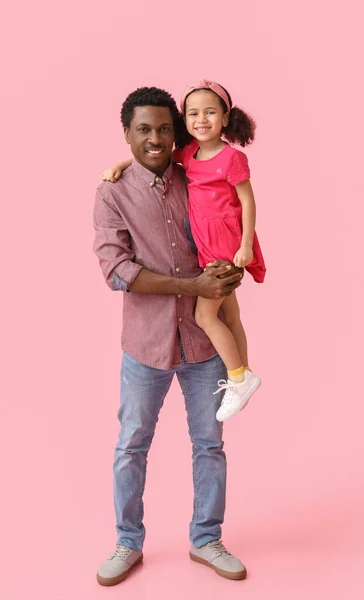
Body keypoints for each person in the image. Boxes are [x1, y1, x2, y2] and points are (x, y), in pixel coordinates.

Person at [93, 86, 249, 586]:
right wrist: (191, 285)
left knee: (210, 444)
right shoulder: (112, 191)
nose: (155, 138)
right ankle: (127, 542)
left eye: (164, 128)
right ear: (127, 134)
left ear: (176, 131)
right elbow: (117, 270)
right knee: (131, 445)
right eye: (143, 130)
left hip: (203, 342)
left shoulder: (197, 174)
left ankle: (206, 538)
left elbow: (230, 216)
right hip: (145, 345)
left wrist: (230, 268)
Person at [101, 79, 266, 422]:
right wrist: (119, 165)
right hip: (199, 255)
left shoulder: (229, 159)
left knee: (205, 316)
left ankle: (239, 378)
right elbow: (146, 153)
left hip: (224, 245)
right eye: (193, 113)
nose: (201, 119)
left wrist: (246, 245)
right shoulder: (187, 156)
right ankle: (244, 373)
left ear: (225, 117)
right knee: (230, 316)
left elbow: (248, 202)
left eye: (209, 112)